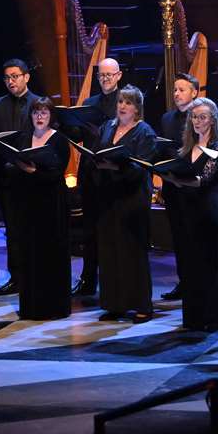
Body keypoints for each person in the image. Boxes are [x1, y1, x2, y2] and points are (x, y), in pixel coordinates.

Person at [161, 98, 218, 331]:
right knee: (189, 264)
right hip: (185, 210)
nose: (197, 121)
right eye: (194, 117)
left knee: (207, 264)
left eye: (202, 117)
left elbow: (205, 180)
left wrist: (178, 179)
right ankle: (192, 317)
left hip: (206, 211)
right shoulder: (188, 146)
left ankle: (210, 318)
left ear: (212, 119)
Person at [94, 84, 157, 323]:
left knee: (133, 252)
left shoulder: (145, 132)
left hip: (132, 198)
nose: (122, 106)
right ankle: (114, 304)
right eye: (120, 101)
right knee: (110, 250)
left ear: (137, 109)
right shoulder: (107, 127)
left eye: (128, 103)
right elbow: (97, 153)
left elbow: (142, 167)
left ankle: (142, 305)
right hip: (109, 197)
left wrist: (116, 166)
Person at [8, 98, 72, 319]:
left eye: (44, 112)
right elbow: (14, 167)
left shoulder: (59, 141)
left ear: (51, 116)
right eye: (36, 112)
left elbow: (57, 173)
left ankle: (54, 307)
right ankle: (31, 307)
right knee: (29, 253)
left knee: (50, 253)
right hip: (28, 203)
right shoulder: (25, 138)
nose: (40, 116)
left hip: (51, 204)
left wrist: (34, 171)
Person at [0, 58, 41, 295]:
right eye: (7, 77)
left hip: (32, 175)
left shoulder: (39, 102)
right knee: (13, 229)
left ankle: (36, 275)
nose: (11, 81)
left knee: (34, 228)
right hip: (8, 176)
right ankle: (16, 277)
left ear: (26, 77)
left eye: (15, 76)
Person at [73, 58, 122, 297]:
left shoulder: (126, 101)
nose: (105, 79)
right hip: (91, 173)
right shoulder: (89, 103)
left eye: (109, 75)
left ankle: (114, 280)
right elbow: (78, 133)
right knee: (89, 230)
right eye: (101, 75)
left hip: (113, 175)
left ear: (119, 75)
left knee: (112, 229)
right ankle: (88, 278)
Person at [158, 72, 199, 301]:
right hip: (172, 187)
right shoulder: (167, 119)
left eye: (181, 90)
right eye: (174, 90)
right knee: (179, 238)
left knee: (194, 238)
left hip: (192, 187)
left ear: (194, 92)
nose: (176, 94)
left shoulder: (200, 117)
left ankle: (195, 282)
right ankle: (184, 282)